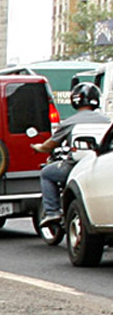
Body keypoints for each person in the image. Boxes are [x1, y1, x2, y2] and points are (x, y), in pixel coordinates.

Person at [33, 82, 112, 225]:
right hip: (101, 164)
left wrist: (38, 147)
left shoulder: (69, 123)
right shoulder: (108, 121)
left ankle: (52, 212)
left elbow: (50, 145)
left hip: (75, 166)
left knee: (47, 173)